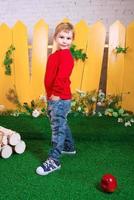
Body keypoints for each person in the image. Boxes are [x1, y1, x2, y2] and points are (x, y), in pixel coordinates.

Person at [36, 22, 76, 176]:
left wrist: (56, 94)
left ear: (72, 40)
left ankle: (54, 160)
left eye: (68, 38)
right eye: (62, 37)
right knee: (61, 122)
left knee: (57, 128)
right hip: (55, 97)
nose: (65, 40)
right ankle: (69, 146)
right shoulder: (55, 55)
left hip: (59, 98)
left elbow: (62, 77)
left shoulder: (66, 57)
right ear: (55, 37)